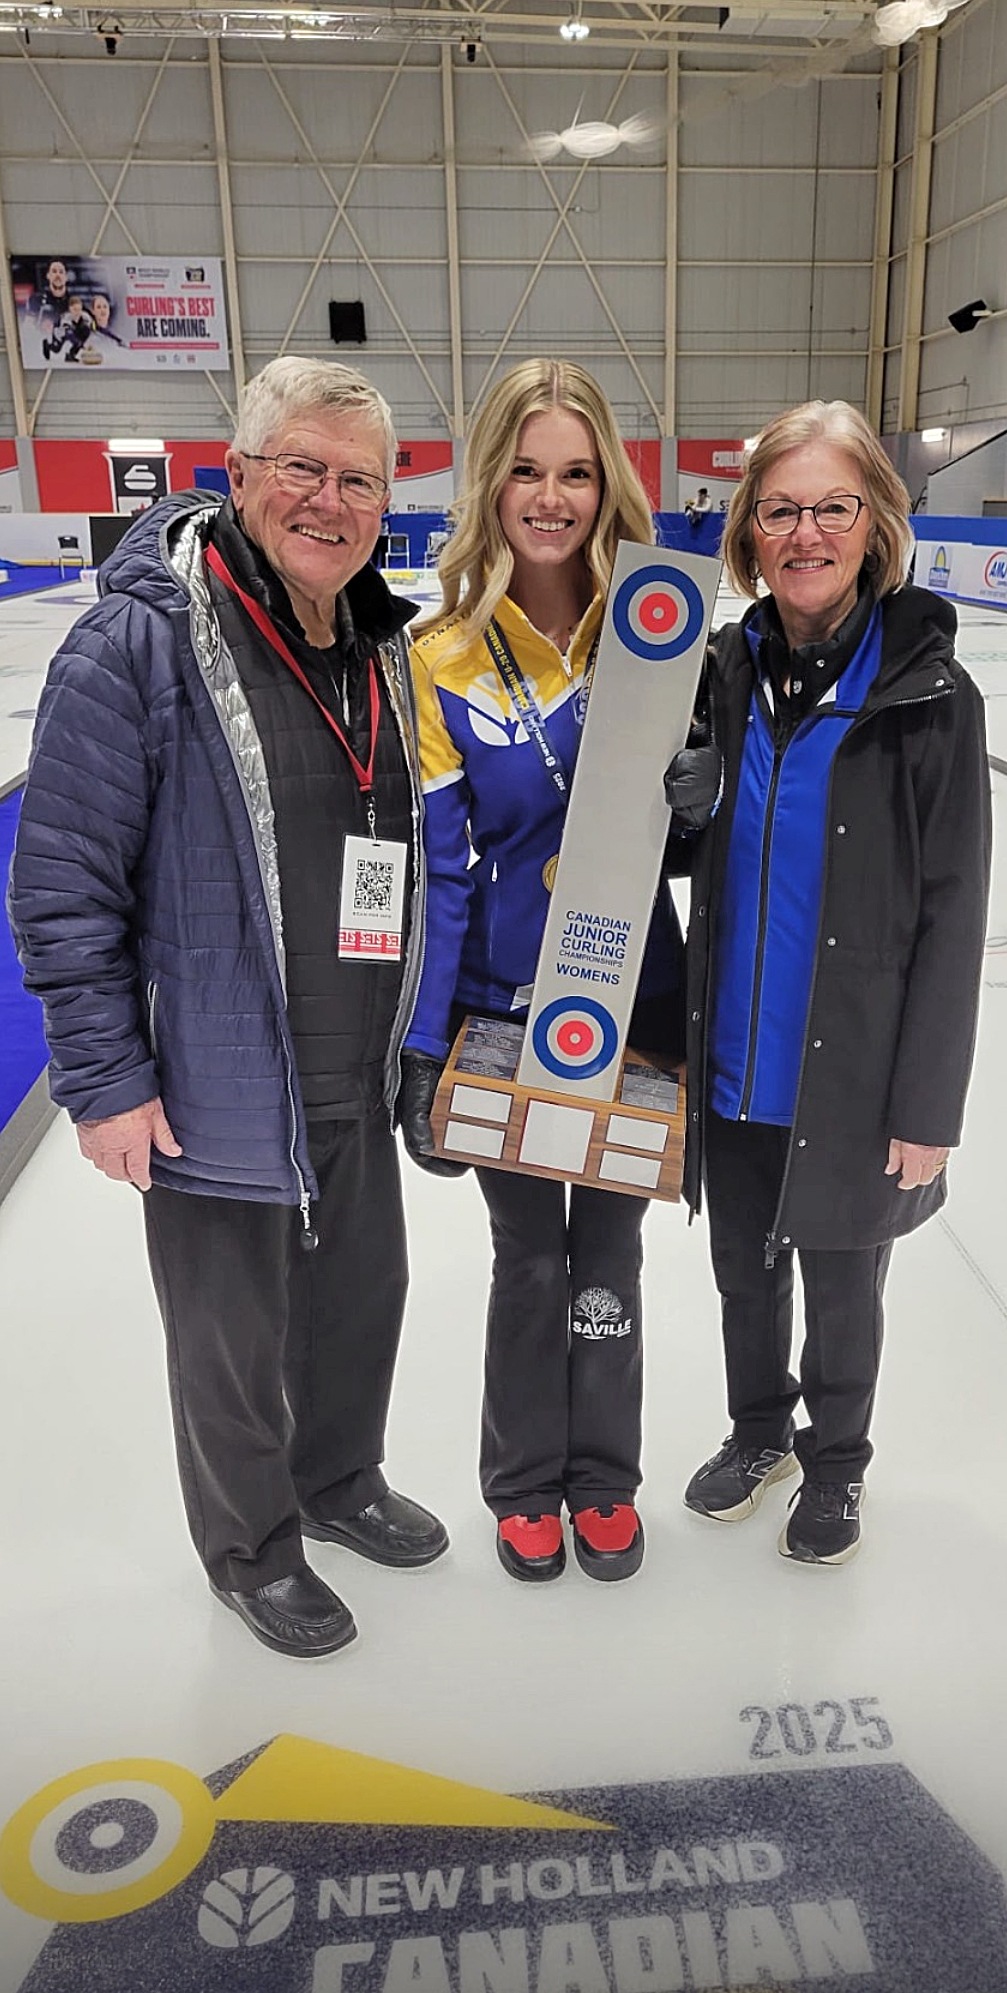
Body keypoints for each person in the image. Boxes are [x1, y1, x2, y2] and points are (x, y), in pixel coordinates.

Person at [9, 356, 448, 1658]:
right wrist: (104, 1079)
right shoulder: (136, 640)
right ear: (241, 473)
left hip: (352, 1062)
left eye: (357, 478)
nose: (329, 498)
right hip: (213, 1078)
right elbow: (64, 886)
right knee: (230, 1338)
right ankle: (251, 1545)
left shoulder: (375, 643)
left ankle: (338, 1478)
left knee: (361, 1295)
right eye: (302, 468)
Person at [672, 399, 991, 1565]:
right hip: (732, 1054)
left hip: (852, 1069)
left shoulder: (927, 698)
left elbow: (954, 915)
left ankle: (837, 1460)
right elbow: (672, 850)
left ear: (874, 526)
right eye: (779, 510)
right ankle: (757, 1431)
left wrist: (925, 1109)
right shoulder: (719, 669)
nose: (802, 534)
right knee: (740, 1276)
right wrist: (678, 807)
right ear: (749, 530)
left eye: (829, 509)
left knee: (843, 1285)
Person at [396, 359, 689, 1585]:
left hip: (637, 1007)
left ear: (605, 482)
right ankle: (521, 1481)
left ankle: (603, 1476)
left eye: (575, 471)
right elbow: (443, 872)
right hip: (504, 1019)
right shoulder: (440, 653)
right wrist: (421, 1045)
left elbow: (696, 840)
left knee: (608, 1253)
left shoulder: (665, 636)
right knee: (528, 1256)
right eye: (526, 469)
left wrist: (702, 806)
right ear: (489, 483)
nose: (552, 495)